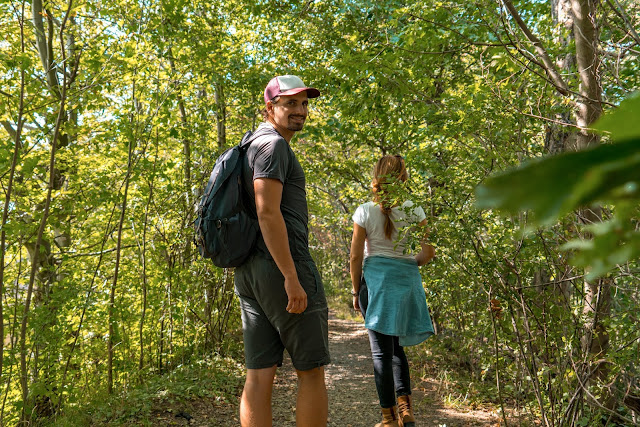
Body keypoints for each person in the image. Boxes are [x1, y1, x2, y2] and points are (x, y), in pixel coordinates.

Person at [234, 75, 330, 427]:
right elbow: (267, 211)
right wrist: (291, 275)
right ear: (270, 107)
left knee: (259, 374)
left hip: (249, 270)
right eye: (290, 103)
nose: (300, 111)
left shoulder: (250, 144)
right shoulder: (273, 146)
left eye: (304, 103)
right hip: (282, 264)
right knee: (312, 370)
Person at [349, 155, 436, 427]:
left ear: (376, 177)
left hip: (375, 286)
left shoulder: (364, 211)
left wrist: (355, 292)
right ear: (404, 179)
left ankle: (388, 419)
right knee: (397, 350)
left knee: (380, 353)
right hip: (405, 284)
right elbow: (428, 253)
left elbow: (355, 258)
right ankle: (405, 409)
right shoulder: (415, 210)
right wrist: (410, 265)